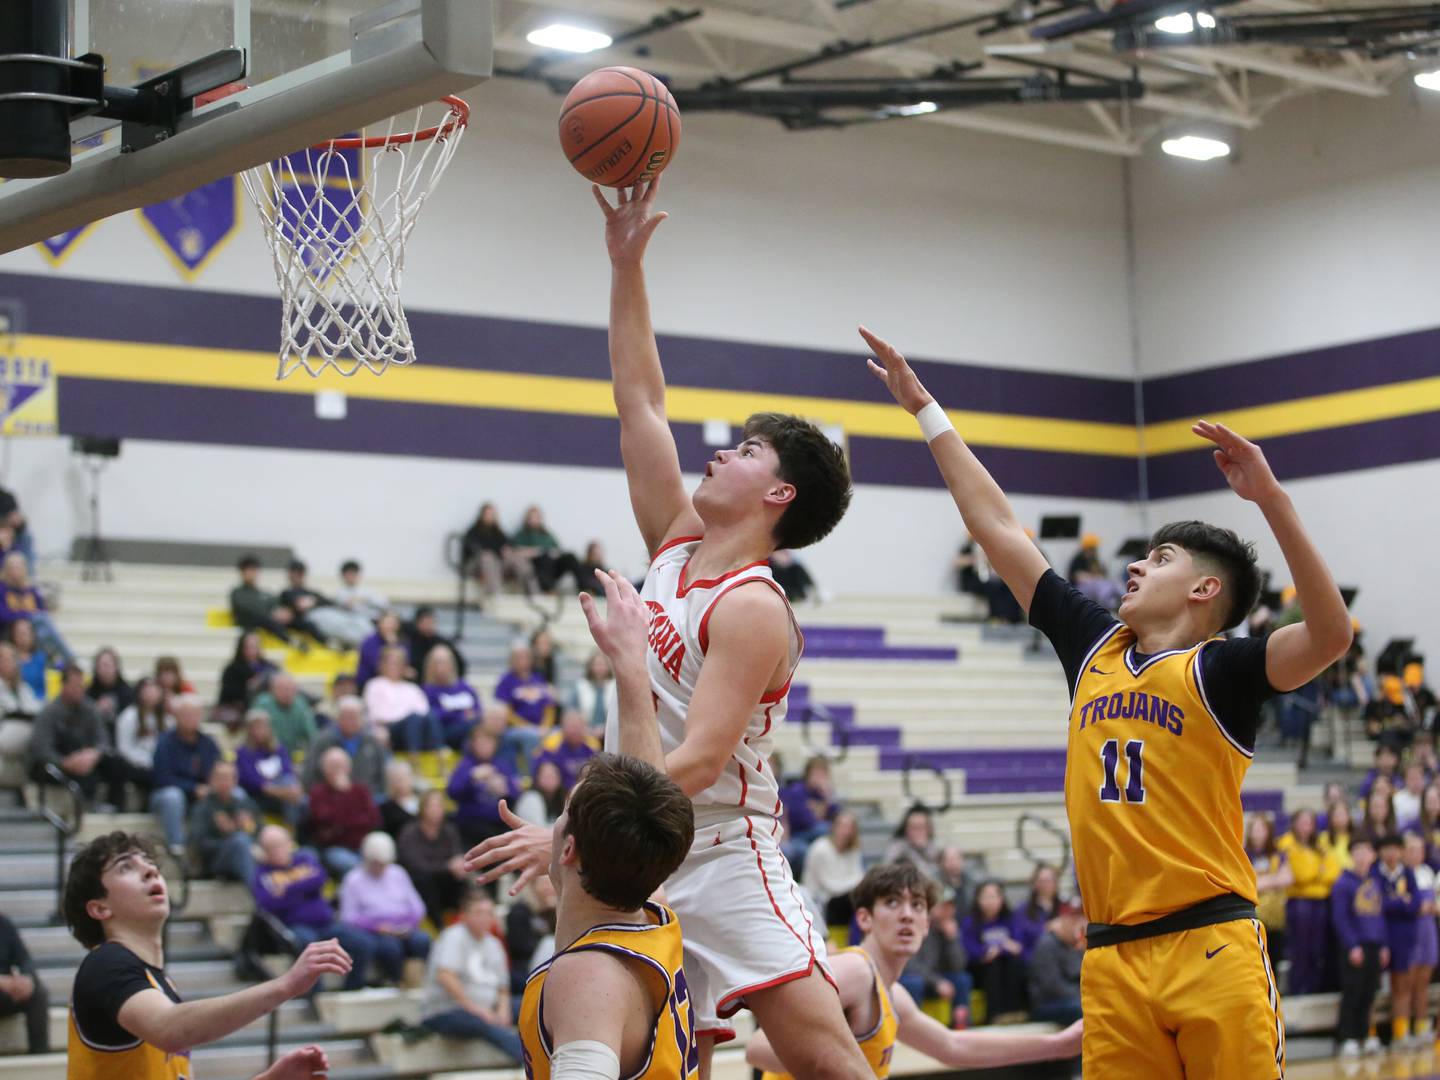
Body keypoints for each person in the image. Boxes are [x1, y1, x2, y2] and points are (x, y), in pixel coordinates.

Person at [862, 328, 1355, 1077]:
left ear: (1204, 589)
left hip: (1211, 942)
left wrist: (1272, 500)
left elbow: (1330, 633)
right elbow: (997, 527)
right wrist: (926, 410)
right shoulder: (1093, 643)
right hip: (1112, 955)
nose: (1133, 564)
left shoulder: (1222, 669)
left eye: (1159, 559)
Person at [477, 176, 861, 1080]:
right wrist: (625, 265)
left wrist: (568, 821)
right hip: (632, 835)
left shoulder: (755, 607)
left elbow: (695, 763)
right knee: (615, 1044)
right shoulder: (678, 545)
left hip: (719, 845)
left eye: (749, 450)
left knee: (826, 1061)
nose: (722, 449)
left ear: (779, 496)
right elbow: (639, 401)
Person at [748, 863, 1081, 1080]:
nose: (907, 915)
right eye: (893, 903)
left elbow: (954, 1047)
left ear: (927, 923)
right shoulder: (854, 970)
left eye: (917, 906)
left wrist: (1058, 1045)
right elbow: (759, 1047)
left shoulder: (894, 996)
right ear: (865, 919)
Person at [64, 830, 347, 1078]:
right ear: (100, 909)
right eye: (126, 867)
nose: (150, 871)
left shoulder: (159, 984)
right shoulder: (106, 964)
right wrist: (286, 985)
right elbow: (169, 1030)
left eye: (150, 864)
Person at [519, 752, 698, 1080]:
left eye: (561, 815)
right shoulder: (655, 916)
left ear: (569, 850)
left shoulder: (587, 978)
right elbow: (648, 819)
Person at [251, 825, 373, 992]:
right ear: (264, 851)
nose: (277, 850)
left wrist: (287, 889)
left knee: (364, 943)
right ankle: (316, 997)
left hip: (326, 923)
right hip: (296, 927)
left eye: (280, 844)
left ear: (289, 843)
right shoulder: (262, 873)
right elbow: (269, 904)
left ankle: (351, 991)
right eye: (271, 847)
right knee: (310, 949)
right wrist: (304, 887)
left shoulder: (304, 859)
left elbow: (319, 879)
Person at [419, 889, 524, 1060]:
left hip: (487, 1007)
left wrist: (503, 1010)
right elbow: (445, 976)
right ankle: (533, 1066)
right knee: (484, 1025)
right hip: (447, 1011)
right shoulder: (453, 937)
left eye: (489, 913)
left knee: (531, 1006)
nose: (484, 918)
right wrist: (478, 1010)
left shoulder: (494, 944)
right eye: (478, 913)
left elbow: (502, 986)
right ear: (464, 916)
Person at [29, 663, 131, 809]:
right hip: (57, 763)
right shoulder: (49, 712)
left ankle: (116, 806)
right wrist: (65, 762)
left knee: (117, 763)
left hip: (86, 758)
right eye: (75, 685)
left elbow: (103, 738)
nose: (79, 689)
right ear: (63, 685)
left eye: (81, 685)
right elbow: (41, 749)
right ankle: (87, 808)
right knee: (81, 771)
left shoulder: (89, 708)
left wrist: (93, 754)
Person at [338, 831, 431, 985]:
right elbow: (348, 916)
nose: (380, 867)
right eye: (376, 863)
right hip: (374, 931)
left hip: (404, 927)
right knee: (389, 947)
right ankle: (396, 982)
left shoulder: (398, 873)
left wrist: (408, 925)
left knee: (422, 940)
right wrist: (376, 927)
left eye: (384, 863)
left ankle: (419, 981)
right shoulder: (353, 879)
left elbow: (418, 907)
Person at [1330, 837, 1387, 1057]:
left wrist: (1384, 945)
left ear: (1373, 855)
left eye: (1367, 851)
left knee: (1369, 993)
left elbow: (1380, 915)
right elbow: (1340, 918)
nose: (1363, 856)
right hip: (1354, 946)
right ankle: (1346, 1037)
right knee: (1352, 993)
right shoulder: (1343, 882)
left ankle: (1364, 1035)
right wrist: (1352, 945)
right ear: (1351, 855)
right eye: (1358, 851)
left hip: (1374, 944)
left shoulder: (1374, 881)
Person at [149, 695, 222, 852]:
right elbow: (162, 778)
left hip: (202, 794)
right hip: (167, 795)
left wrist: (213, 786)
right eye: (186, 714)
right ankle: (177, 848)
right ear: (176, 716)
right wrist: (194, 788)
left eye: (195, 715)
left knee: (236, 793)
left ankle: (215, 847)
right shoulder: (165, 742)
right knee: (173, 796)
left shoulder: (208, 743)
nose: (190, 719)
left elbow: (218, 770)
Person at [1276, 808, 1333, 996]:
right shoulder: (1286, 844)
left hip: (1319, 902)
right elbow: (1298, 875)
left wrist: (1316, 873)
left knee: (1316, 950)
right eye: (1302, 822)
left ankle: (1313, 990)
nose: (1306, 826)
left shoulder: (1319, 844)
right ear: (1294, 823)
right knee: (1300, 951)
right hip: (1298, 903)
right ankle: (1297, 990)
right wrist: (1319, 871)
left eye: (1309, 822)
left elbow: (1334, 871)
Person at [897, 887, 971, 1028]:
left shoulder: (951, 928)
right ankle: (913, 1029)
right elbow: (910, 964)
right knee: (914, 982)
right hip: (917, 978)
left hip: (938, 978)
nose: (947, 911)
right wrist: (936, 982)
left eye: (950, 906)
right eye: (943, 906)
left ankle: (961, 1026)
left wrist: (952, 940)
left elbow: (959, 965)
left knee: (962, 979)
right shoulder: (915, 925)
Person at [307, 746, 382, 878]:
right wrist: (343, 794)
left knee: (383, 857)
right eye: (332, 766)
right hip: (335, 847)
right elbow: (323, 818)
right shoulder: (317, 792)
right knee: (355, 867)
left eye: (341, 765)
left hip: (363, 844)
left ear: (349, 768)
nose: (337, 770)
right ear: (324, 769)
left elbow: (373, 819)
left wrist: (342, 822)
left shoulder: (361, 790)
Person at [398, 789, 469, 927]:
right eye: (433, 806)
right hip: (420, 880)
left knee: (461, 880)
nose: (437, 810)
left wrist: (459, 865)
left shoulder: (449, 830)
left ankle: (461, 922)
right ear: (423, 808)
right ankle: (439, 925)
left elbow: (456, 855)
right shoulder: (410, 832)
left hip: (444, 877)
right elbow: (416, 865)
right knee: (425, 881)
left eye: (440, 806)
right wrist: (447, 867)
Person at [1377, 833, 1422, 1045]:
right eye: (1387, 848)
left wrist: (1394, 902)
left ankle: (1401, 1032)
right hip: (1380, 936)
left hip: (1405, 936)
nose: (1391, 853)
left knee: (1403, 985)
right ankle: (1369, 1034)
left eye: (1395, 848)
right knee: (1373, 987)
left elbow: (1415, 906)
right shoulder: (1374, 874)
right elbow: (1378, 905)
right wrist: (1400, 902)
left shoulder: (1408, 874)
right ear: (1380, 852)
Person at [962, 881, 1027, 1023]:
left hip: (1005, 962)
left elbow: (1018, 945)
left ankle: (1015, 1011)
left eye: (994, 897)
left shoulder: (1010, 918)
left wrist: (1001, 949)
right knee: (993, 966)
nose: (990, 901)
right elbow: (969, 950)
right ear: (978, 900)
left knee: (1015, 964)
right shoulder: (971, 922)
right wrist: (986, 951)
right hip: (980, 967)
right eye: (986, 897)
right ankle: (994, 1014)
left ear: (1001, 899)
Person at [447, 725, 521, 849]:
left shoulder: (502, 766)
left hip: (498, 825)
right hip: (471, 824)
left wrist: (505, 790)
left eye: (488, 743)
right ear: (473, 745)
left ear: (495, 745)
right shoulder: (465, 765)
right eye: (480, 743)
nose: (484, 747)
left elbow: (516, 795)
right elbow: (452, 792)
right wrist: (472, 777)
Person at [187, 760, 260, 883]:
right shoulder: (202, 808)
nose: (224, 782)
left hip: (250, 854)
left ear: (235, 781)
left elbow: (261, 833)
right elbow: (199, 844)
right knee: (240, 841)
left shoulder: (246, 804)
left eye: (228, 777)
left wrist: (248, 828)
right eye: (220, 777)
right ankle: (260, 893)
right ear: (211, 780)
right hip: (217, 862)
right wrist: (229, 836)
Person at [304, 695, 386, 796]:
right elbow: (309, 775)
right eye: (345, 717)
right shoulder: (321, 741)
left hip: (369, 799)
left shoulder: (373, 742)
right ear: (337, 718)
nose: (349, 721)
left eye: (353, 717)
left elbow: (383, 776)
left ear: (362, 719)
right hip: (330, 798)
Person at [364, 644, 441, 752]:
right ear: (382, 664)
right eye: (391, 663)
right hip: (390, 729)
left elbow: (424, 711)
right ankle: (414, 758)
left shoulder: (412, 688)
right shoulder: (374, 685)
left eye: (398, 663)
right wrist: (405, 717)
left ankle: (439, 754)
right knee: (412, 719)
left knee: (429, 717)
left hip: (415, 727)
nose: (394, 666)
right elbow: (375, 715)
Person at [280, 558, 372, 647]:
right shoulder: (286, 593)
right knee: (340, 625)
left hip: (328, 615)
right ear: (289, 574)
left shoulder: (312, 592)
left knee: (354, 620)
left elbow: (329, 602)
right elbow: (299, 606)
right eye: (294, 573)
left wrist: (313, 601)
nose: (297, 576)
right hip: (312, 620)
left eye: (300, 573)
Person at [235, 709, 304, 826]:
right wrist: (279, 791)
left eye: (262, 727)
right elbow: (252, 781)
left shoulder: (278, 748)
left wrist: (294, 788)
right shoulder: (242, 752)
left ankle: (296, 831)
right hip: (258, 797)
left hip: (284, 793)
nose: (259, 731)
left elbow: (288, 771)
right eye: (255, 728)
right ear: (248, 730)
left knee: (303, 800)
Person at [0, 551, 72, 663]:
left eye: (18, 567)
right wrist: (28, 615)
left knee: (43, 630)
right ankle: (68, 658)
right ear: (6, 570)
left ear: (24, 569)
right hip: (9, 630)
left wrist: (27, 615)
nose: (15, 571)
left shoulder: (31, 590)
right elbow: (4, 615)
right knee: (40, 622)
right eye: (12, 568)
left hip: (32, 630)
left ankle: (54, 662)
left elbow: (43, 610)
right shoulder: (2, 589)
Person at [1245, 813, 1293, 971]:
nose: (1258, 833)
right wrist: (1274, 880)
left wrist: (1262, 882)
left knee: (1275, 960)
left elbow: (1287, 878)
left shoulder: (1278, 854)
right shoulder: (1243, 854)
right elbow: (1247, 884)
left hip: (1276, 918)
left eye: (1262, 828)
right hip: (1254, 918)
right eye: (1255, 829)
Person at [495, 641, 555, 765]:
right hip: (515, 729)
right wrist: (528, 727)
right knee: (531, 736)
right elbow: (506, 712)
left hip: (541, 728)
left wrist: (545, 726)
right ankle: (537, 774)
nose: (522, 660)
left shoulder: (538, 679)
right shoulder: (506, 681)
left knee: (559, 734)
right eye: (518, 657)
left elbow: (549, 707)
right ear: (511, 660)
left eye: (525, 656)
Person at [803, 810, 865, 929]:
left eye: (850, 827)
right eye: (842, 826)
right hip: (821, 900)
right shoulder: (820, 849)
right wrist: (856, 883)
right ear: (834, 827)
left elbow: (859, 875)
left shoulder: (853, 850)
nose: (845, 831)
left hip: (844, 897)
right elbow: (831, 886)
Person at [1026, 905, 1085, 1027]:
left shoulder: (1074, 944)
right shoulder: (1046, 944)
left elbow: (1082, 975)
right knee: (1082, 1007)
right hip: (1046, 1004)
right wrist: (1084, 996)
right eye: (1073, 923)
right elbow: (1053, 986)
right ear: (1062, 923)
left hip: (1071, 998)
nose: (1078, 929)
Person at [113, 678, 170, 803]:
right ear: (139, 692)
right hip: (134, 765)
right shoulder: (128, 716)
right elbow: (123, 748)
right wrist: (145, 762)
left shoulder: (167, 719)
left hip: (158, 764)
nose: (151, 694)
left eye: (154, 690)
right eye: (147, 690)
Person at [780, 756, 839, 874]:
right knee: (821, 832)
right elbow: (803, 820)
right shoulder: (797, 790)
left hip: (817, 837)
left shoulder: (823, 793)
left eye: (822, 775)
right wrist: (820, 811)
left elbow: (837, 817)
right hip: (797, 836)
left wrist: (827, 797)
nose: (819, 778)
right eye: (816, 774)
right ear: (808, 774)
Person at [229, 554, 304, 648]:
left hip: (268, 621)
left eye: (254, 570)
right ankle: (289, 640)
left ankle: (321, 638)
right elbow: (247, 609)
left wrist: (283, 612)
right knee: (264, 618)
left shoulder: (263, 593)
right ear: (242, 573)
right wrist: (271, 612)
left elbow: (275, 603)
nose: (251, 573)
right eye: (248, 570)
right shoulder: (237, 593)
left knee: (295, 618)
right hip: (249, 623)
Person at [0, 911, 47, 1053]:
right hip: (3, 985)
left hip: (6, 993)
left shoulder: (4, 924)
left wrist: (26, 979)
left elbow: (24, 959)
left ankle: (40, 1055)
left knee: (38, 992)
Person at [422, 644, 481, 750]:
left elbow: (477, 711)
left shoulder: (465, 687)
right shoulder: (427, 690)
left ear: (451, 665)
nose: (441, 668)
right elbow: (433, 716)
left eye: (444, 663)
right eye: (437, 664)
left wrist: (452, 712)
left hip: (467, 730)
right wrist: (461, 715)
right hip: (444, 733)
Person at [511, 505, 581, 595]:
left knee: (570, 556)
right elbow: (515, 552)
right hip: (537, 567)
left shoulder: (546, 533)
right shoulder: (522, 534)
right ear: (527, 518)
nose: (535, 519)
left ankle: (583, 587)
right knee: (544, 557)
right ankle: (549, 589)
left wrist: (553, 553)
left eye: (537, 517)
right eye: (532, 517)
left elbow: (557, 549)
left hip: (553, 566)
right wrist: (536, 552)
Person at [532, 709, 600, 790]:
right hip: (558, 790)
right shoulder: (552, 743)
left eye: (577, 727)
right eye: (570, 727)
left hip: (584, 790)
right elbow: (538, 767)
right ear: (563, 728)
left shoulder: (592, 744)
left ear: (584, 728)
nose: (573, 731)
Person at [253, 673, 318, 756]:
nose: (287, 693)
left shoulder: (301, 704)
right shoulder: (262, 704)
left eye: (290, 689)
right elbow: (255, 733)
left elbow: (312, 734)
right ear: (272, 690)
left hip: (294, 753)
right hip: (267, 753)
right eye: (282, 689)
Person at [217, 631, 278, 718]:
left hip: (268, 709)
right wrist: (248, 687)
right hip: (243, 708)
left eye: (256, 646)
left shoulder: (270, 667)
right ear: (241, 648)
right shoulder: (232, 669)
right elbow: (228, 695)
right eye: (249, 646)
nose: (253, 649)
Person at [1012, 863, 1062, 958]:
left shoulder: (1064, 906)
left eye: (1049, 880)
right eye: (1041, 881)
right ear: (1034, 883)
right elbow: (1019, 941)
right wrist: (1047, 928)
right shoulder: (1023, 910)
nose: (1046, 885)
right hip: (1035, 958)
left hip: (1062, 958)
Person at [883, 805, 942, 882]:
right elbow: (886, 870)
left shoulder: (932, 847)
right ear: (906, 829)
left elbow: (935, 873)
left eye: (921, 827)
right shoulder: (897, 846)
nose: (918, 831)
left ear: (929, 829)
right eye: (914, 827)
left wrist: (922, 849)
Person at [407, 606, 466, 680]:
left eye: (430, 621)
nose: (428, 625)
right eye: (424, 621)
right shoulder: (409, 640)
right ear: (417, 623)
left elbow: (460, 664)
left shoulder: (442, 643)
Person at [566, 651, 613, 736]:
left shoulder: (615, 687)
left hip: (610, 733)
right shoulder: (580, 686)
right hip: (584, 733)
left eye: (602, 664)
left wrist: (604, 729)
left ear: (608, 667)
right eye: (597, 664)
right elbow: (572, 711)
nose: (599, 668)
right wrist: (585, 728)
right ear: (590, 666)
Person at [355, 610, 406, 689]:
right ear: (379, 624)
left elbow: (404, 662)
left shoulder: (401, 642)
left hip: (394, 682)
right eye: (387, 623)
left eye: (393, 623)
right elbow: (378, 666)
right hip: (369, 682)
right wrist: (391, 645)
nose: (390, 626)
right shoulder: (369, 642)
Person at [87, 646, 133, 728]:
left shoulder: (128, 693)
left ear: (116, 667)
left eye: (108, 665)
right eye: (101, 665)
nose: (105, 669)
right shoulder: (88, 693)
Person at [515, 759, 567, 827]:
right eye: (547, 776)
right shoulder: (531, 798)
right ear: (537, 778)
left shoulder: (559, 798)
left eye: (554, 776)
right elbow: (538, 829)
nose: (551, 779)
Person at [334, 559, 387, 624]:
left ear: (358, 574)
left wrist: (364, 599)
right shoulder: (340, 593)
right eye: (348, 575)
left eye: (353, 574)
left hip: (376, 619)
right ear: (343, 576)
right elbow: (344, 606)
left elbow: (383, 603)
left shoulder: (368, 590)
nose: (351, 577)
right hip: (357, 622)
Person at [379, 758, 420, 838]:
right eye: (397, 779)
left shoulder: (423, 801)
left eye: (404, 778)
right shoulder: (386, 809)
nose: (401, 783)